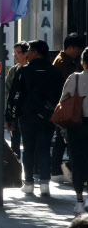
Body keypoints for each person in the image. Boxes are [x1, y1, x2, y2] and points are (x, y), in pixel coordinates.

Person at [7, 40, 64, 196]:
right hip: (47, 116)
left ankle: (29, 182)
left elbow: (15, 96)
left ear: (36, 52)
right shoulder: (55, 72)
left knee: (28, 149)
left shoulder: (23, 71)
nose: (28, 53)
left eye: (30, 50)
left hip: (27, 116)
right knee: (44, 149)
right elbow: (61, 95)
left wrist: (10, 116)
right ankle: (45, 183)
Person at [51, 33, 85, 182]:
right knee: (64, 138)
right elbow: (64, 88)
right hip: (68, 107)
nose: (78, 53)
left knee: (62, 138)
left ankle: (58, 169)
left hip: (66, 106)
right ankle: (65, 167)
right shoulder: (63, 63)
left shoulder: (65, 61)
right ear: (70, 47)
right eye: (77, 50)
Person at [59, 48, 88, 213]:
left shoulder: (75, 78)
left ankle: (79, 201)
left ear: (83, 62)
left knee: (77, 161)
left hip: (77, 124)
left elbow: (63, 100)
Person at [5, 41, 28, 160]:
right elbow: (7, 92)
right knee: (15, 141)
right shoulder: (13, 71)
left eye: (17, 53)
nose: (15, 56)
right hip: (14, 112)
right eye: (14, 53)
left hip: (27, 111)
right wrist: (7, 114)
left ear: (25, 54)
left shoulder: (31, 69)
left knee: (29, 142)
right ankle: (16, 165)